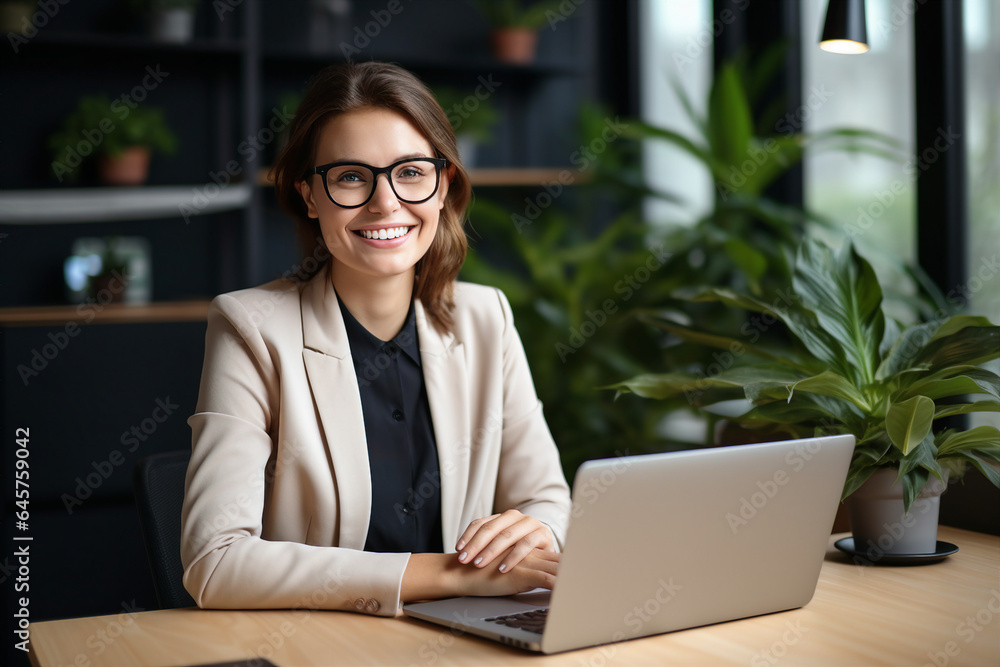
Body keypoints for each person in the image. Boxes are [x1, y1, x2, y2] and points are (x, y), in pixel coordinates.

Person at [180, 62, 571, 616]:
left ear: (445, 187)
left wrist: (531, 537)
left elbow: (549, 503)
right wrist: (452, 574)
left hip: (468, 641)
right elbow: (215, 564)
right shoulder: (250, 328)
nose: (385, 202)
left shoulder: (487, 318)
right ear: (310, 195)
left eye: (411, 172)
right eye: (349, 176)